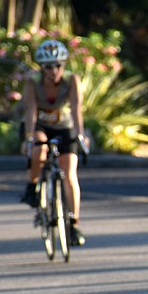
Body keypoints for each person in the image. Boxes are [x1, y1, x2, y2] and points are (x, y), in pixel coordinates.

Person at [20, 39, 88, 246]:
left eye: (58, 65)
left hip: (64, 126)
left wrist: (81, 135)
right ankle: (33, 186)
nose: (54, 70)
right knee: (38, 150)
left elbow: (76, 109)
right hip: (40, 126)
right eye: (49, 67)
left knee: (69, 173)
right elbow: (30, 111)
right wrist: (29, 138)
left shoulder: (71, 80)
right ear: (42, 68)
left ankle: (74, 224)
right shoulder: (33, 83)